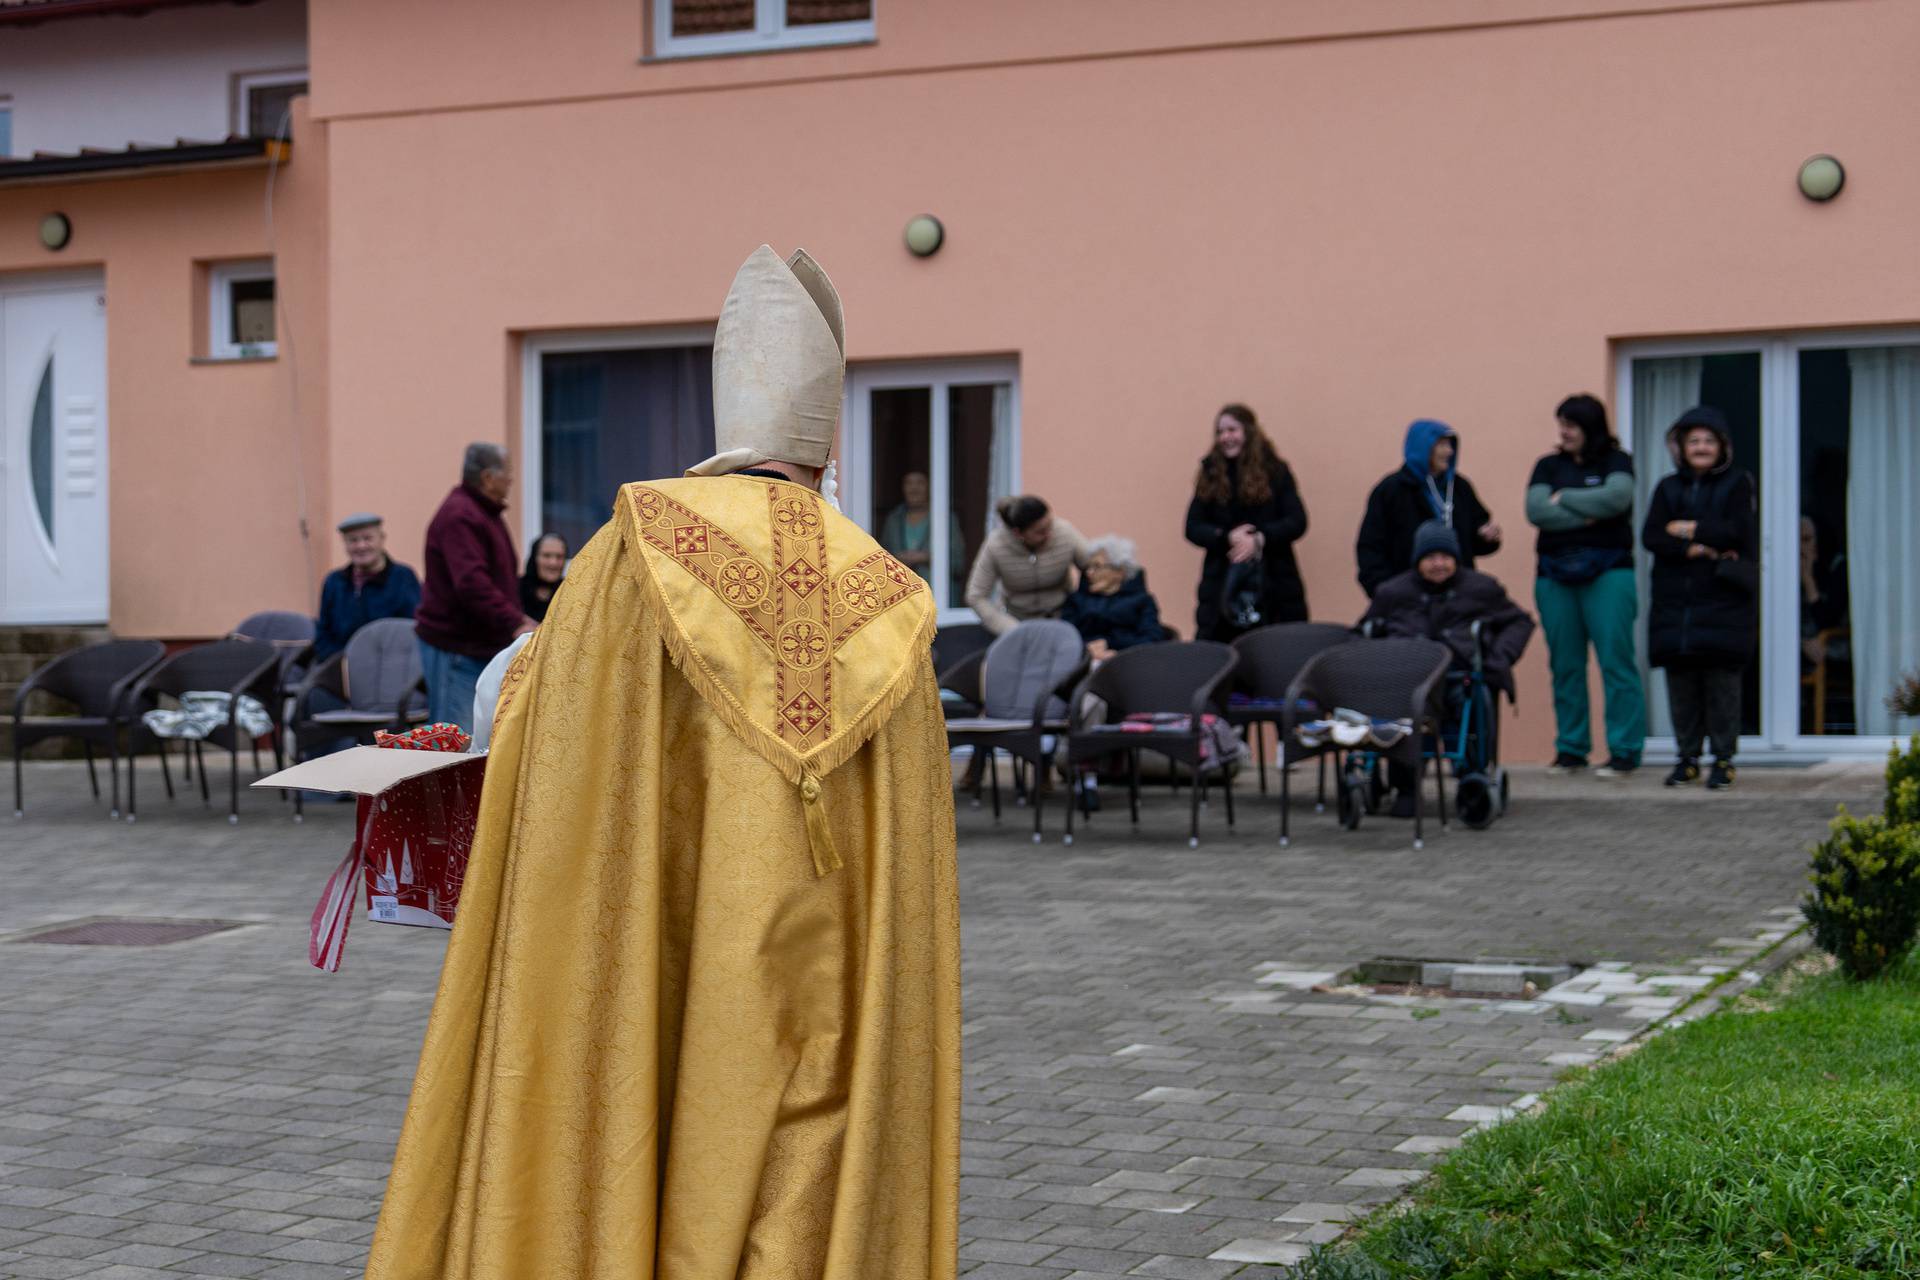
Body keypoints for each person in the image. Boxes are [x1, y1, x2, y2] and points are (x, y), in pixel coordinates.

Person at [364, 245, 960, 1280]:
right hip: (825, 955)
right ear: (825, 455)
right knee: (809, 1136)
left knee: (632, 1082)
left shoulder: (627, 548)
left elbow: (538, 729)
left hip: (656, 934)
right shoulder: (892, 595)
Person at [1359, 521, 1535, 817]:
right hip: (1408, 679)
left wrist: (1499, 657)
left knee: (1471, 705)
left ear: (1455, 558)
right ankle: (1405, 788)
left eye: (1445, 557)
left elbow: (1520, 622)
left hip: (1461, 676)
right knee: (1400, 714)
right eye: (1430, 558)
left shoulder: (1481, 588)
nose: (1438, 564)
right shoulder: (1393, 591)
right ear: (1418, 561)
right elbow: (1361, 630)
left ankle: (1472, 781)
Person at [1524, 393, 1646, 777]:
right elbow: (1537, 510)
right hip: (1554, 577)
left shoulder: (1617, 461)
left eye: (1572, 424)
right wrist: (1590, 513)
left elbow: (1618, 498)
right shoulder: (1547, 465)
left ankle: (1624, 750)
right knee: (1566, 665)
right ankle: (1571, 749)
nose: (1564, 431)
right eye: (1561, 423)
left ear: (1590, 428)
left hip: (1609, 574)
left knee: (1616, 661)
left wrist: (1566, 499)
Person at [1643, 405, 1757, 790]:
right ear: (1680, 447)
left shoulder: (1738, 483)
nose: (1702, 447)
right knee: (1683, 688)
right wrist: (1695, 549)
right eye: (1694, 441)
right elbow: (1652, 537)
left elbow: (1738, 532)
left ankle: (1723, 761)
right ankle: (1686, 759)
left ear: (1722, 447)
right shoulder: (1667, 488)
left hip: (1723, 604)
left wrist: (1690, 528)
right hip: (1676, 608)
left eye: (1709, 441)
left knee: (1722, 688)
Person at [413, 443, 536, 732]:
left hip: (476, 646)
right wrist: (515, 621)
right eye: (508, 473)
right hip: (456, 649)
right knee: (456, 739)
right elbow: (472, 584)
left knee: (477, 737)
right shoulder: (462, 516)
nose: (511, 480)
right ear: (488, 477)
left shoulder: (482, 512)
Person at [1183, 403, 1309, 640]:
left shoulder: (1276, 471)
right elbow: (1192, 527)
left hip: (1274, 586)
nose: (1225, 437)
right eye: (1220, 432)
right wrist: (1227, 537)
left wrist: (1259, 539)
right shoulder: (1210, 473)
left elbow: (1297, 521)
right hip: (1221, 587)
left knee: (1275, 653)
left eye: (1232, 430)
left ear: (1249, 432)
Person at [1357, 418, 1502, 597]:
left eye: (1450, 445)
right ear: (1422, 448)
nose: (1449, 451)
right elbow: (1370, 545)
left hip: (1457, 592)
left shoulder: (1459, 487)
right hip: (1407, 594)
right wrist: (1383, 589)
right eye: (1441, 445)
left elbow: (1475, 535)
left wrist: (1487, 536)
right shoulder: (1392, 490)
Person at [964, 494, 1089, 634]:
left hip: (1064, 619)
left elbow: (1093, 567)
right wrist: (1010, 629)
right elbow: (976, 596)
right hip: (1017, 621)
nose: (1050, 534)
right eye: (1041, 532)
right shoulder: (996, 545)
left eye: (1050, 525)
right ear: (1018, 533)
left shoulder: (1065, 533)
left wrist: (1084, 610)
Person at [312, 513, 421, 663]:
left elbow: (412, 629)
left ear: (382, 539)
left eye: (367, 538)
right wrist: (341, 661)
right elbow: (323, 632)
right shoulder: (334, 582)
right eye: (353, 540)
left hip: (390, 668)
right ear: (345, 544)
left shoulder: (403, 578)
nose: (361, 546)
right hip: (340, 666)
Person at [1061, 534, 1169, 659]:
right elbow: (1065, 638)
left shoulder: (1143, 601)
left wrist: (1111, 645)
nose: (1089, 573)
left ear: (1119, 572)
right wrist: (1088, 649)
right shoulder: (1076, 600)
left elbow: (1152, 639)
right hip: (1083, 664)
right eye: (1089, 567)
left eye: (1097, 566)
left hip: (1129, 663)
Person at [880, 469, 964, 600]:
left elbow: (958, 562)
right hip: (903, 597)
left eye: (920, 483)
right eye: (909, 483)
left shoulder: (945, 519)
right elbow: (880, 559)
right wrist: (897, 558)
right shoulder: (894, 519)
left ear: (930, 487)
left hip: (939, 596)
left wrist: (927, 558)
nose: (914, 488)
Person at [518, 532, 569, 623]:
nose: (553, 563)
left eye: (559, 556)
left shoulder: (569, 592)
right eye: (546, 555)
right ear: (534, 558)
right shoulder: (515, 588)